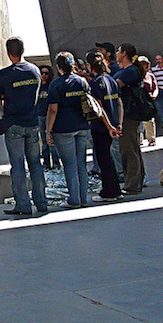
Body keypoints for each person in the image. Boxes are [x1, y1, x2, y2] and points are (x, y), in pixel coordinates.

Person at [0, 37, 49, 216]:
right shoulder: (34, 70)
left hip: (13, 124)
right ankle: (41, 202)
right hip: (32, 122)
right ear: (23, 50)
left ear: (8, 53)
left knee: (17, 165)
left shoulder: (4, 74)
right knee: (36, 164)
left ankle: (23, 205)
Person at [46, 51, 92, 208]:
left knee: (70, 164)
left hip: (63, 128)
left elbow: (53, 109)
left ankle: (74, 199)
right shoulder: (82, 81)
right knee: (81, 164)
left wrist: (48, 130)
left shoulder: (56, 85)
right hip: (82, 125)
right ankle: (83, 198)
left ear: (58, 67)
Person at [87, 54, 123, 202]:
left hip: (101, 126)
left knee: (103, 159)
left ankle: (109, 192)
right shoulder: (112, 80)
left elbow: (99, 108)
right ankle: (116, 189)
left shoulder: (95, 83)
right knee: (109, 157)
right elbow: (119, 103)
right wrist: (119, 123)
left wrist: (109, 126)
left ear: (90, 67)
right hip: (114, 122)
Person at [113, 43, 146, 195]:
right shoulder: (127, 70)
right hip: (128, 113)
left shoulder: (130, 71)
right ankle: (136, 181)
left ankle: (132, 184)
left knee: (128, 149)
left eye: (118, 51)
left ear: (124, 53)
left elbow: (114, 87)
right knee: (131, 147)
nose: (116, 53)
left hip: (129, 114)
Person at [35, 65, 58, 169]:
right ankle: (46, 162)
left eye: (46, 73)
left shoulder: (51, 87)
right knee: (43, 140)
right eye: (42, 73)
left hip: (50, 116)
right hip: (39, 115)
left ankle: (56, 162)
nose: (43, 75)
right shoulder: (37, 87)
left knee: (52, 139)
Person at [137, 56, 158, 147]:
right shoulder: (135, 75)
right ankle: (140, 139)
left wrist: (154, 95)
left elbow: (155, 87)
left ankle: (151, 139)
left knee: (150, 120)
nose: (143, 66)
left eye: (144, 64)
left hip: (148, 100)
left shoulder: (150, 75)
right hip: (138, 100)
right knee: (138, 121)